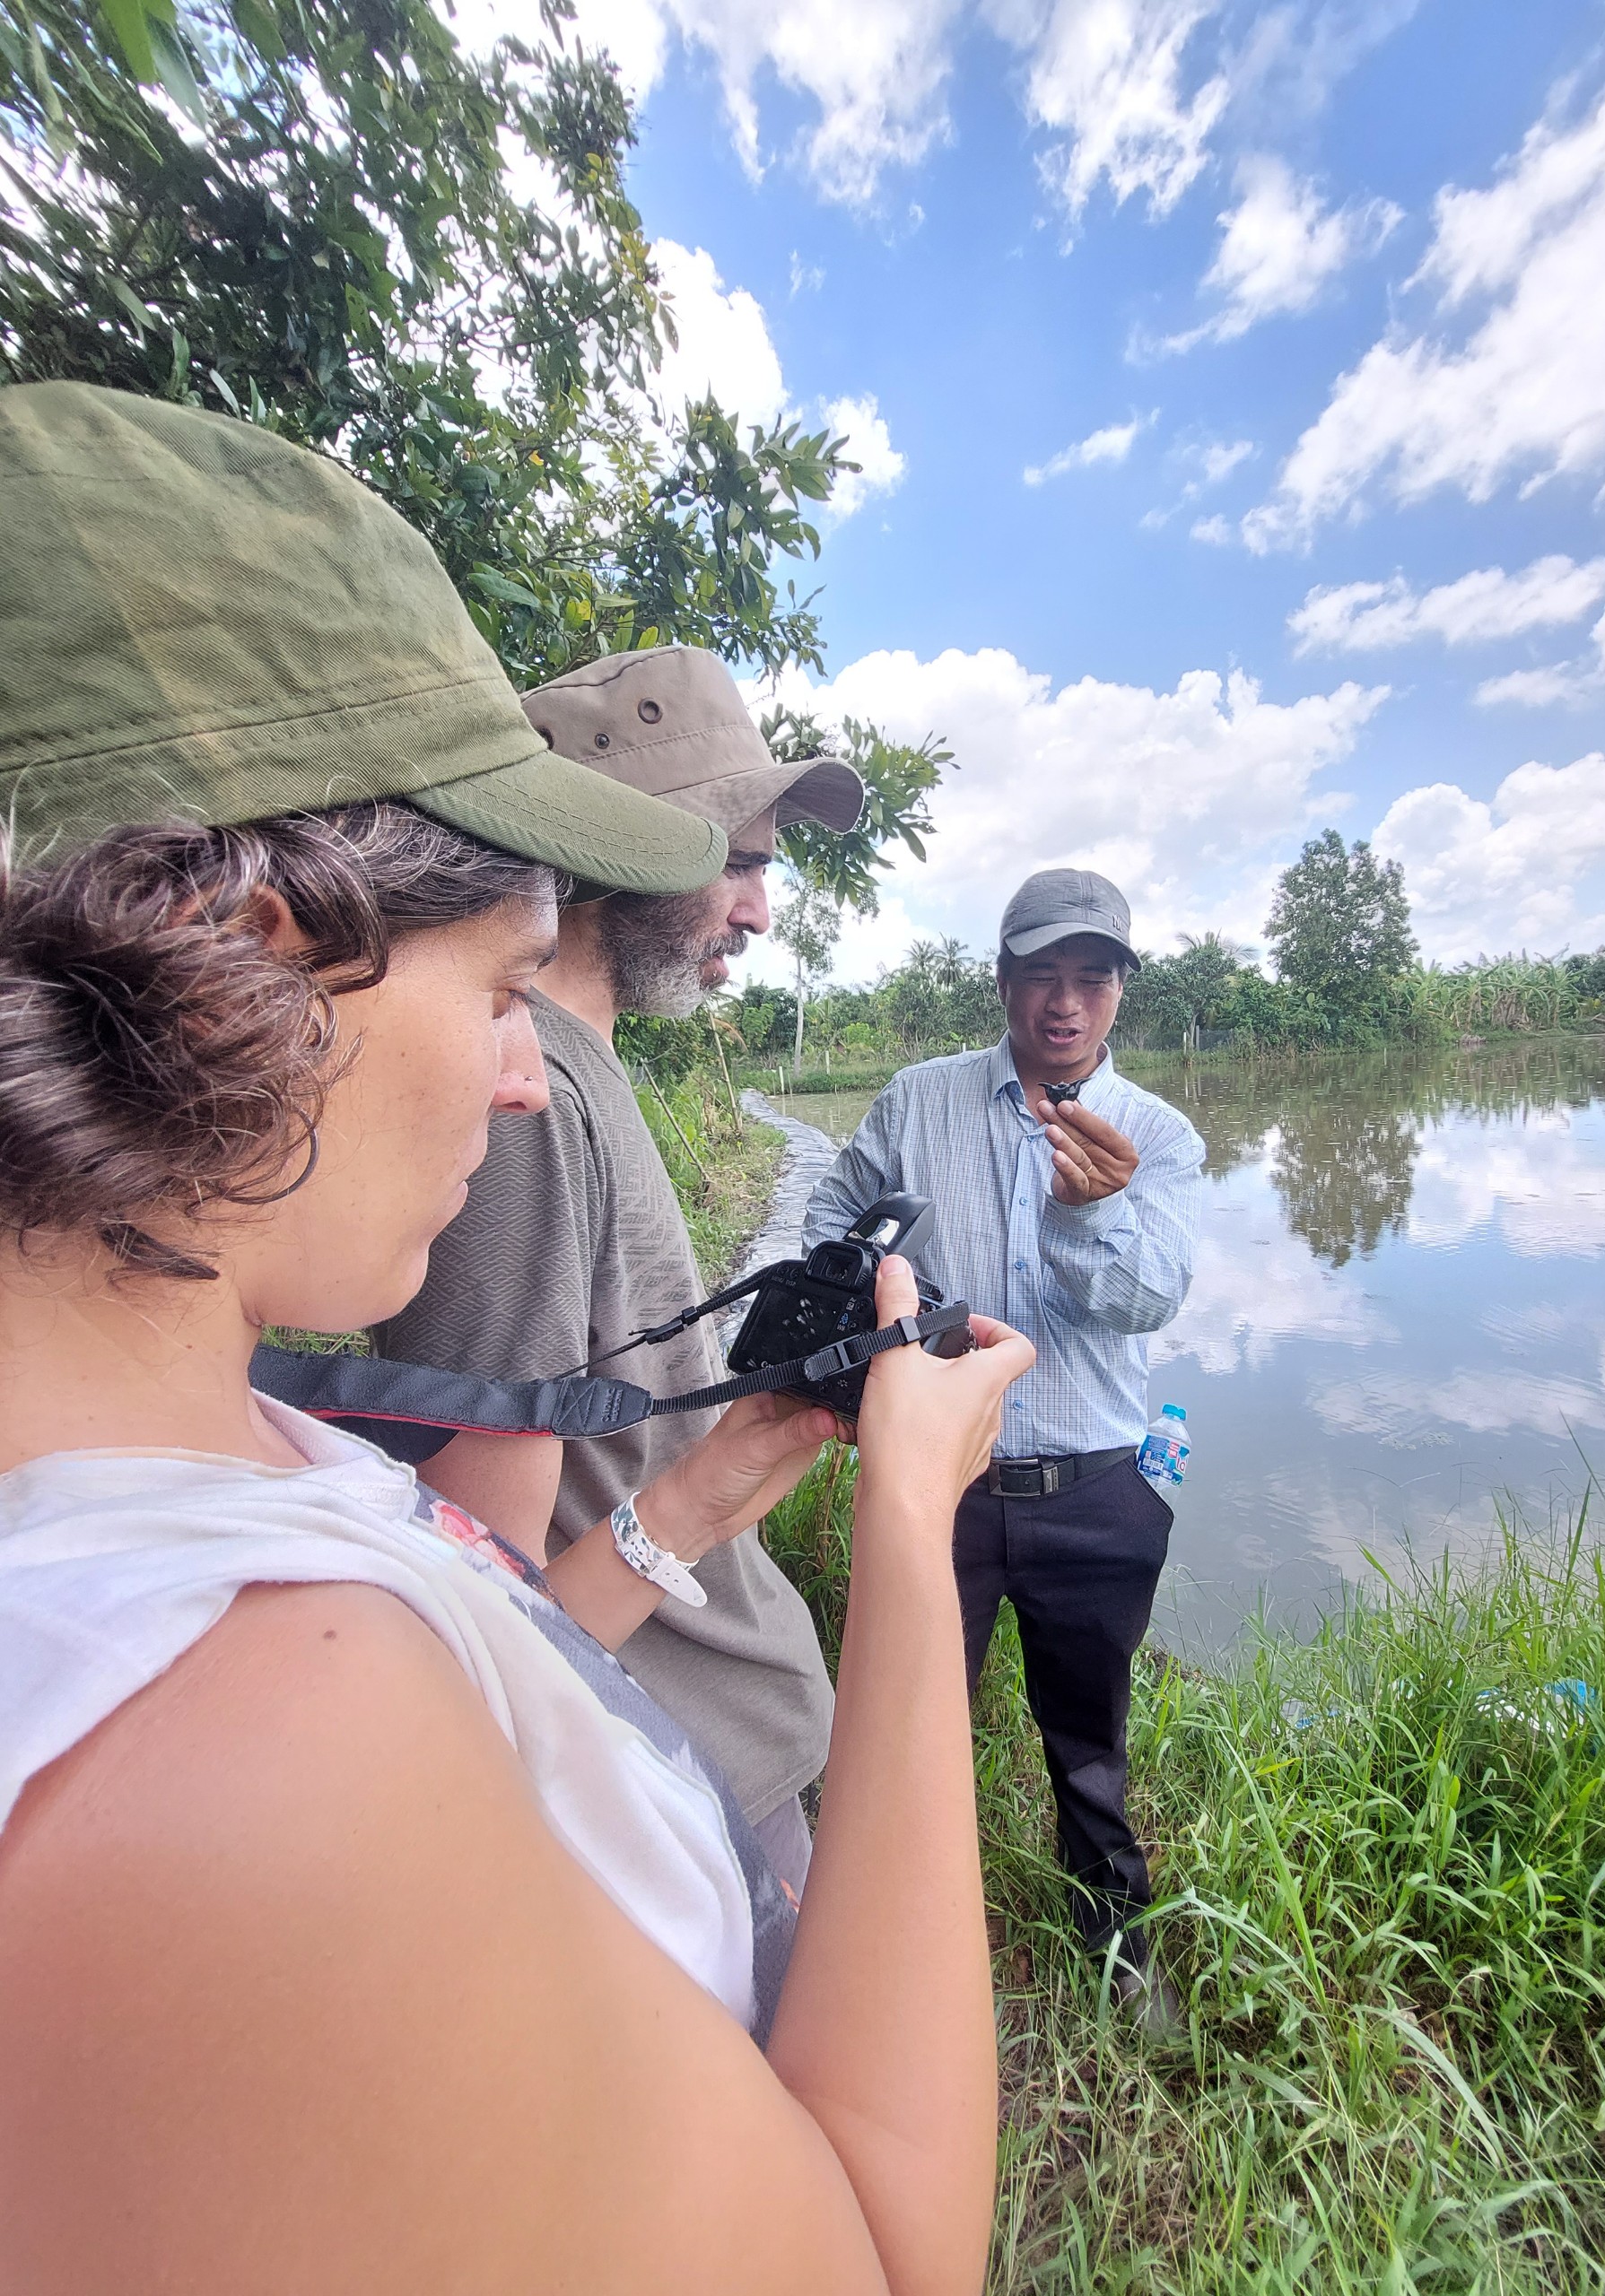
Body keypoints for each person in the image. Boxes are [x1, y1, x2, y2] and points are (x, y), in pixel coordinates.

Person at [0, 381, 1034, 2293]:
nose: (513, 1075)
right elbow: (885, 2253)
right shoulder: (249, 1756)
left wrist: (718, 1476)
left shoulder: (199, 1461)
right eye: (491, 983)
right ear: (242, 953)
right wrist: (908, 1515)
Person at [379, 648, 865, 1895]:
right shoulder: (525, 1100)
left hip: (709, 1750)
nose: (760, 911)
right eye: (744, 861)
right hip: (667, 1781)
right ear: (628, 849)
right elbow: (487, 1591)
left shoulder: (576, 1065)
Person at [804, 867, 1204, 2031]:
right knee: (903, 1718)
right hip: (946, 1486)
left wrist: (1091, 1213)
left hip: (1101, 1485)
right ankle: (884, 1963)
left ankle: (1118, 1943)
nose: (1065, 1002)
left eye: (1091, 977)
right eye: (1042, 974)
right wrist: (870, 1322)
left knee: (1090, 1737)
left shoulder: (1159, 1139)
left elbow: (1146, 1305)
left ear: (1120, 991)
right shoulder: (917, 1103)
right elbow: (831, 1231)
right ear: (1003, 982)